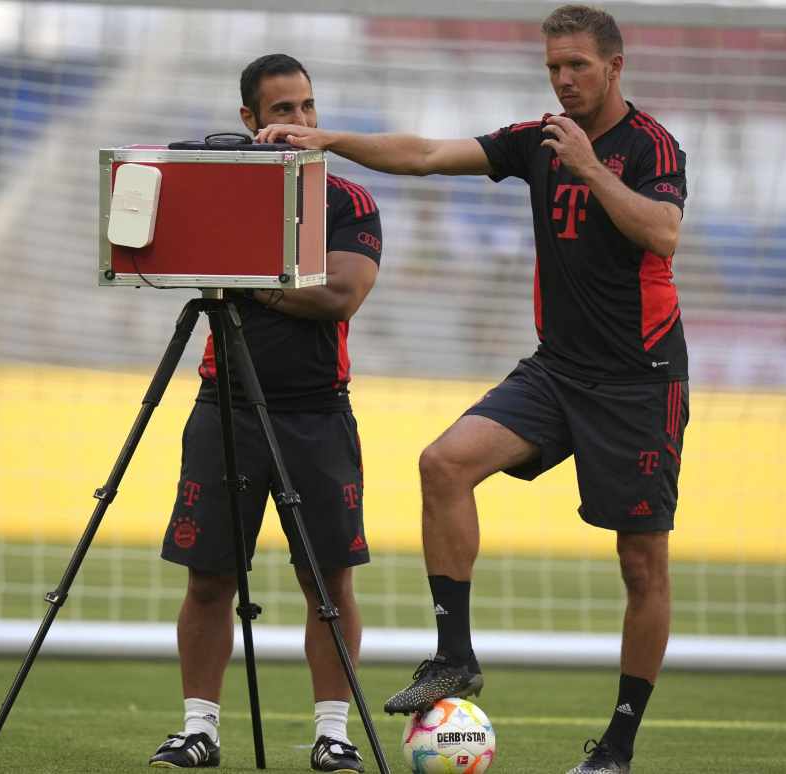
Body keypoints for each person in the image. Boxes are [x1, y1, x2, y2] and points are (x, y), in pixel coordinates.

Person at [259, 7, 687, 773]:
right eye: (554, 65)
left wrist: (591, 168)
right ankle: (454, 654)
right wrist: (329, 140)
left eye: (578, 66)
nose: (563, 79)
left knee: (641, 563)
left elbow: (662, 232)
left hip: (638, 382)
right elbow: (424, 153)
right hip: (558, 370)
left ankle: (617, 745)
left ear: (615, 67)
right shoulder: (537, 141)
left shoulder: (650, 146)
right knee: (444, 464)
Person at [149, 54, 383, 773]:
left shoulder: (346, 201)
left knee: (327, 582)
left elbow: (341, 295)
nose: (300, 123)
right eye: (283, 111)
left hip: (317, 412)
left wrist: (247, 283)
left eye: (308, 108)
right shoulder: (219, 195)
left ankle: (333, 735)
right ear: (249, 121)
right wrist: (273, 282)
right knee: (209, 576)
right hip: (226, 407)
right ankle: (199, 729)